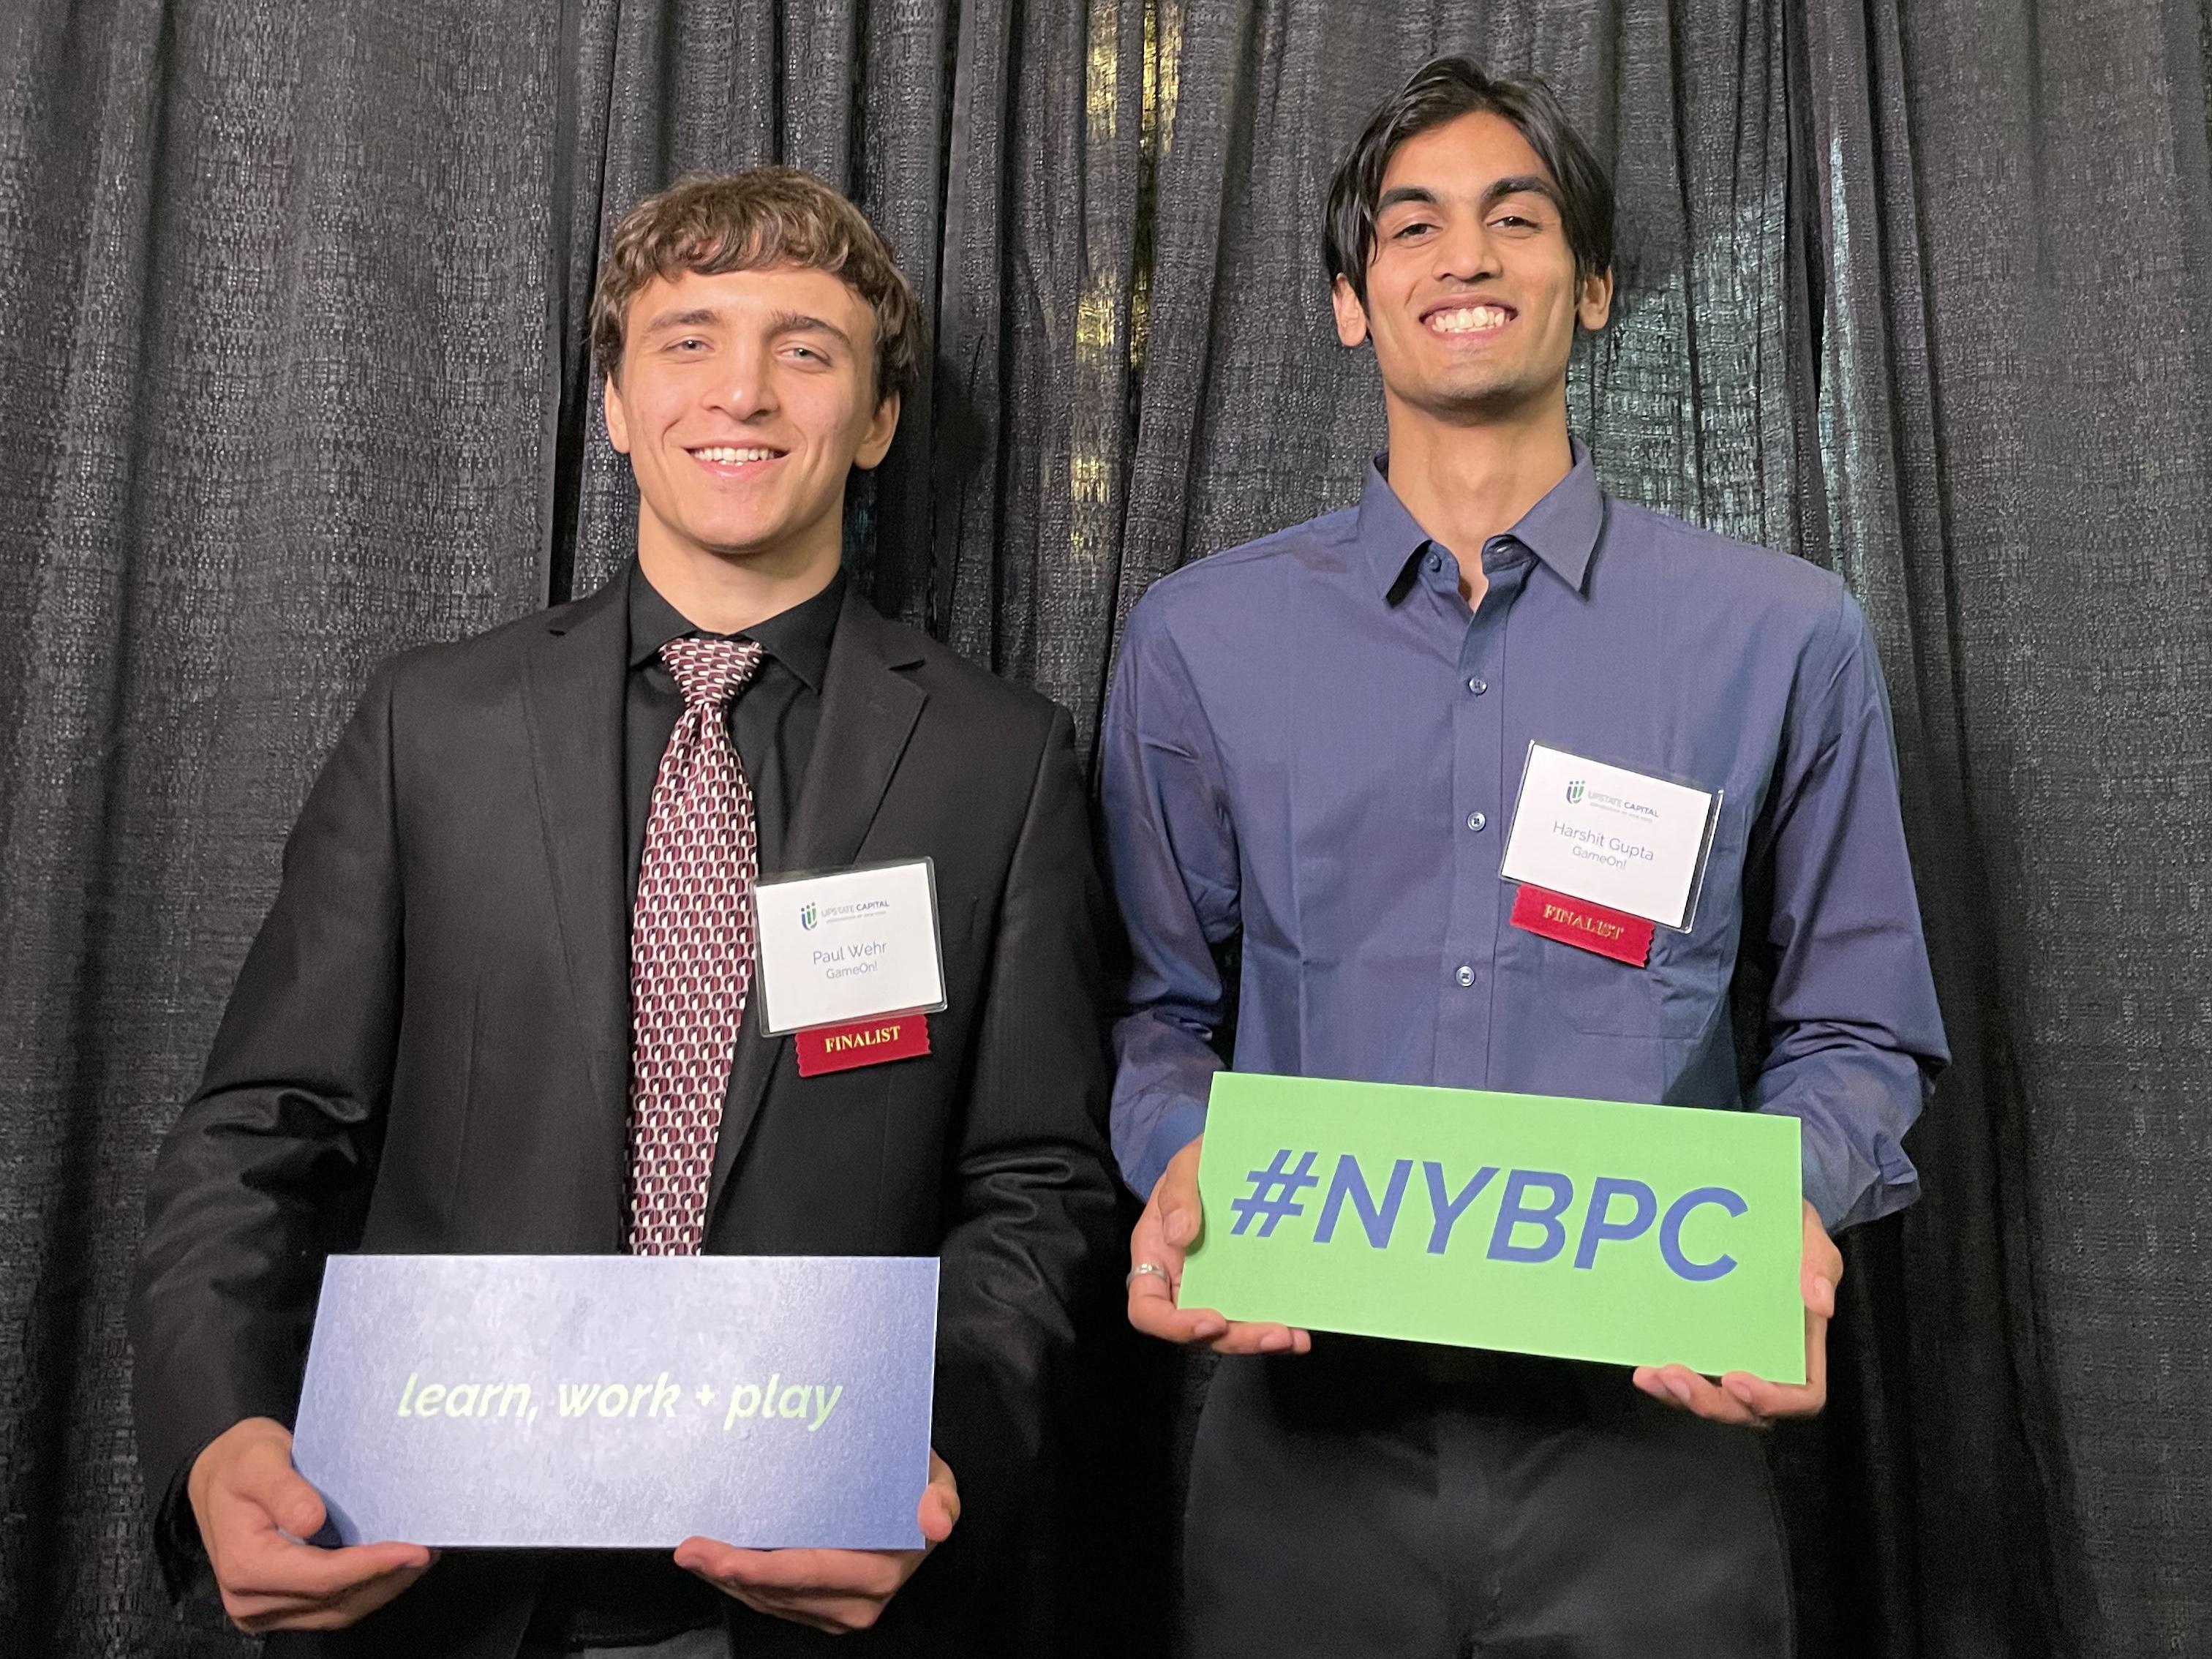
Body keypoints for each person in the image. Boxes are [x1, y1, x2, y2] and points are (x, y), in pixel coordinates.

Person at [129, 167, 1118, 1659]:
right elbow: (257, 1128)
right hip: (431, 1573)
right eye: (688, 337)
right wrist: (219, 1440)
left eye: (806, 346)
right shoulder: (434, 727)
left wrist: (943, 1458)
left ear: (881, 417)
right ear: (614, 400)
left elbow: (1034, 1183)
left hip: (803, 1592)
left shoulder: (1001, 763)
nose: (745, 390)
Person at [1101, 56, 1948, 1658]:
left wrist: (1792, 1199)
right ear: (1354, 300)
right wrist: (1177, 1161)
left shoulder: (1781, 637)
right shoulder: (1198, 642)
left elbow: (1856, 1028)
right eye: (1413, 227)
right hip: (1299, 1443)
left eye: (1519, 218)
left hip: (1653, 1446)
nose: (1467, 258)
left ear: (1598, 283)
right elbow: (1157, 1015)